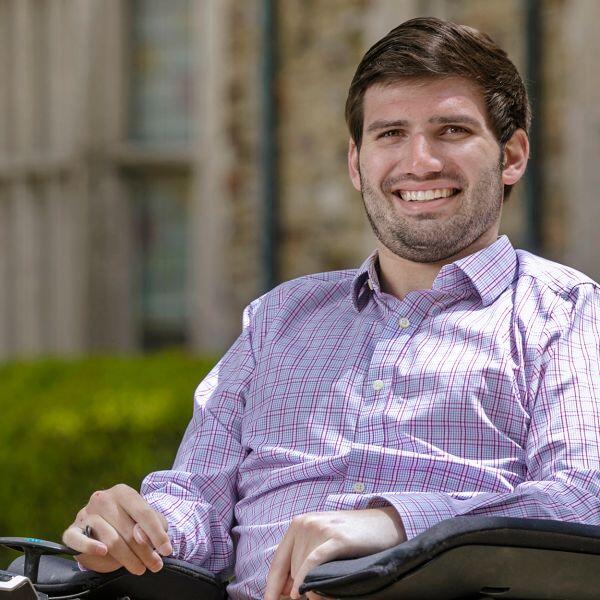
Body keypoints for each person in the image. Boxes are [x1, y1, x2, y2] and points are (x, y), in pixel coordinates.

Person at [63, 16, 600, 600]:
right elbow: (197, 506)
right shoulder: (279, 319)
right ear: (355, 162)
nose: (420, 161)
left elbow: (583, 496)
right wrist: (133, 527)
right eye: (390, 133)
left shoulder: (564, 314)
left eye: (451, 130)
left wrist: (397, 525)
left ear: (512, 155)